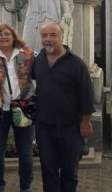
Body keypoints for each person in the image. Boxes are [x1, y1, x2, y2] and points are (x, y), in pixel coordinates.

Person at [33, 22, 94, 192]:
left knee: (69, 173)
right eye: (44, 36)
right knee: (48, 171)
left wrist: (86, 122)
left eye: (53, 35)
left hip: (71, 128)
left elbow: (87, 95)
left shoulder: (76, 64)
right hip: (44, 127)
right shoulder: (39, 60)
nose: (48, 39)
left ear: (62, 37)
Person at [0, 24, 35, 192]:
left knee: (26, 153)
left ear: (13, 36)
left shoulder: (26, 55)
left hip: (23, 108)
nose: (3, 37)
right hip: (0, 110)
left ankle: (26, 187)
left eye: (7, 34)